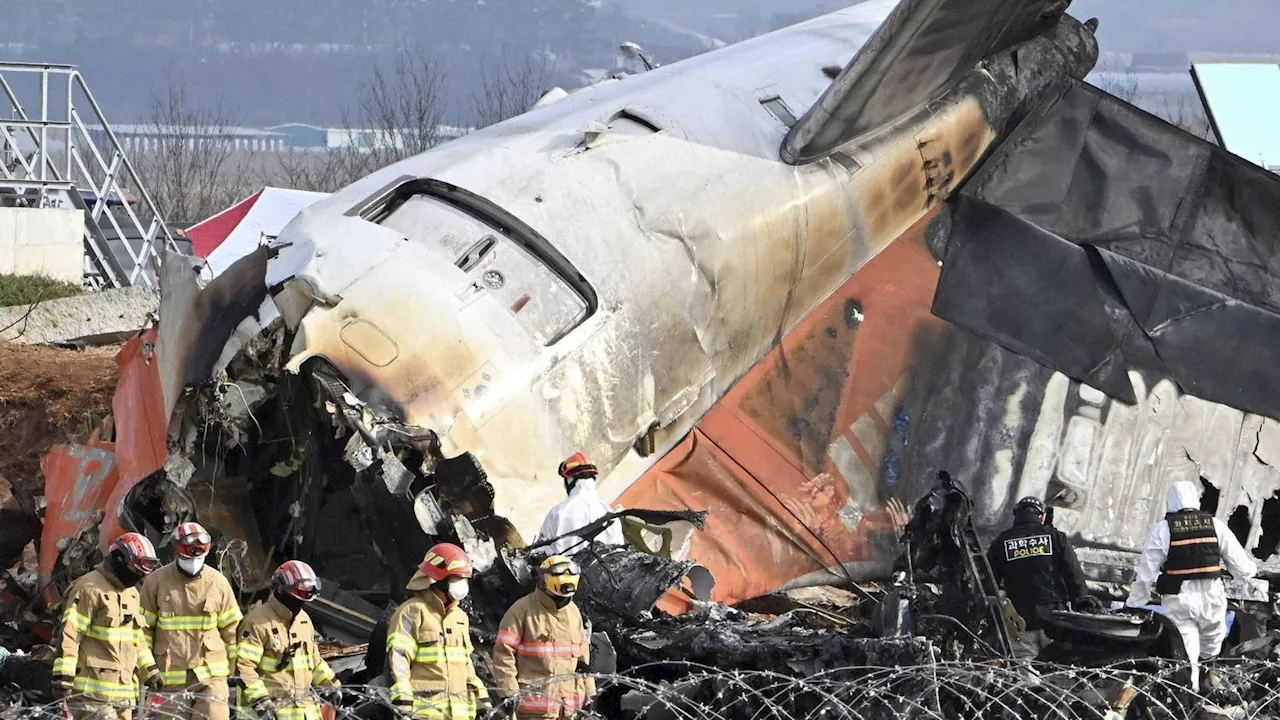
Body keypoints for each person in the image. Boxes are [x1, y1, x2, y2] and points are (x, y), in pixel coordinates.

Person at [1125, 481, 1258, 691]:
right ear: (1195, 500)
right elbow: (1240, 565)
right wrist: (1252, 572)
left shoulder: (1162, 529)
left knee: (1186, 652)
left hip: (1179, 598)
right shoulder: (1215, 525)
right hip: (1211, 596)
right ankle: (1207, 678)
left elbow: (1145, 574)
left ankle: (1189, 691)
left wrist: (1134, 604)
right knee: (1212, 645)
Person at [52, 532, 165, 720]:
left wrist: (150, 670)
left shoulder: (132, 594)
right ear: (120, 560)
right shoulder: (89, 588)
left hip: (124, 696)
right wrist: (63, 676)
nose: (138, 577)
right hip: (92, 696)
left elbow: (136, 638)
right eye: (137, 570)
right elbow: (71, 634)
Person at [139, 522, 242, 720]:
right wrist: (147, 669)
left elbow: (233, 631)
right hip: (168, 680)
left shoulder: (218, 583)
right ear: (177, 551)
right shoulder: (156, 582)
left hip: (211, 679)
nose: (194, 561)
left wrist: (233, 672)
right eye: (189, 555)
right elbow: (141, 632)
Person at [386, 543, 489, 719]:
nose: (462, 585)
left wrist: (483, 702)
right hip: (426, 713)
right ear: (438, 580)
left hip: (460, 715)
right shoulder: (412, 612)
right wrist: (403, 701)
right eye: (456, 578)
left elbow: (467, 666)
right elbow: (399, 658)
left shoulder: (459, 617)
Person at [986, 496, 1093, 660]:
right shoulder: (1056, 537)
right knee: (1056, 677)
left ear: (1016, 516)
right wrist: (1084, 611)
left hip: (1021, 624)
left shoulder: (1001, 542)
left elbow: (989, 584)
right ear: (1042, 516)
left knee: (1026, 681)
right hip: (1055, 621)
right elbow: (1074, 578)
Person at [234, 560, 339, 720]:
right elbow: (243, 668)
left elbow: (314, 661)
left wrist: (332, 685)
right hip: (270, 714)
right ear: (282, 590)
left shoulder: (303, 621)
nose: (300, 604)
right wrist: (262, 703)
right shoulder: (257, 623)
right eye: (298, 597)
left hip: (305, 713)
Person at [492, 555, 595, 719]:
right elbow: (503, 654)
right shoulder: (521, 611)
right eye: (559, 596)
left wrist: (589, 692)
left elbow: (582, 657)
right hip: (535, 710)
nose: (562, 601)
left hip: (569, 708)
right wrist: (508, 692)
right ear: (544, 584)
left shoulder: (573, 612)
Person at [533, 453, 624, 556]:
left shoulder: (558, 512)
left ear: (570, 480)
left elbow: (541, 552)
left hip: (567, 571)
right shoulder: (610, 514)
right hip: (604, 571)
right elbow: (619, 555)